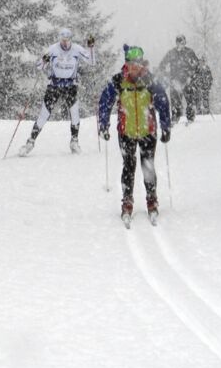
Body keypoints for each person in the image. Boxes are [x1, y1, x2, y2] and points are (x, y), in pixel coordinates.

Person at [98, 45, 171, 227]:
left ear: (142, 64)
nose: (134, 67)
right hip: (126, 132)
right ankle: (127, 201)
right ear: (126, 64)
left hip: (148, 131)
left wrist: (166, 127)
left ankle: (152, 200)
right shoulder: (118, 81)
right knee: (129, 167)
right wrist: (104, 125)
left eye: (137, 64)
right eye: (131, 63)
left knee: (148, 167)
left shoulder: (150, 81)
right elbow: (105, 102)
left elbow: (163, 102)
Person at [19, 28, 95, 156]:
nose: (65, 43)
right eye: (63, 40)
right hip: (54, 85)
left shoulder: (76, 49)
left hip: (70, 86)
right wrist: (44, 59)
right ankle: (30, 142)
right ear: (60, 39)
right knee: (44, 114)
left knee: (74, 113)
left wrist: (91, 47)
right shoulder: (53, 49)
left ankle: (74, 142)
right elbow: (39, 66)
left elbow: (92, 62)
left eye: (67, 40)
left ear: (71, 39)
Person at [158, 34, 200, 124]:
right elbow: (162, 65)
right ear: (176, 43)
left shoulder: (189, 52)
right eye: (180, 42)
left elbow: (197, 65)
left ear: (185, 42)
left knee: (190, 100)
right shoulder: (171, 53)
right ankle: (175, 117)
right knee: (175, 101)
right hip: (175, 81)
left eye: (183, 42)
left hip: (187, 80)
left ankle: (190, 118)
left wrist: (192, 76)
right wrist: (167, 76)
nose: (181, 44)